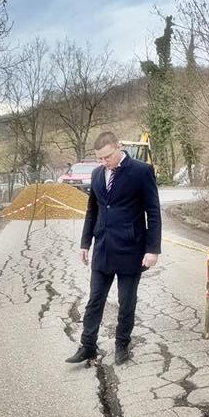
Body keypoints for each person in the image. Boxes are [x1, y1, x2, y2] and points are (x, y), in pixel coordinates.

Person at [66, 130, 161, 365]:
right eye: (99, 158)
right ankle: (88, 346)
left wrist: (153, 249)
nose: (103, 162)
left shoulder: (141, 171)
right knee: (95, 299)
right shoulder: (98, 174)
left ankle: (122, 344)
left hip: (131, 249)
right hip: (103, 249)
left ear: (118, 147)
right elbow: (93, 211)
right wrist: (85, 243)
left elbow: (153, 212)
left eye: (107, 157)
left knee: (126, 301)